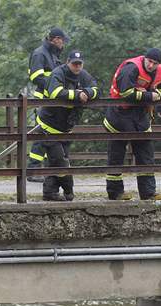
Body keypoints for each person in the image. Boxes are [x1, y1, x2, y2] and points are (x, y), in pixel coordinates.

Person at [104, 48, 161, 201]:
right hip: (120, 114)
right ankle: (115, 193)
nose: (151, 66)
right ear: (145, 58)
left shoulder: (160, 71)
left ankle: (148, 193)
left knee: (146, 154)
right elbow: (126, 93)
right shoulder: (131, 68)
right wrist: (149, 96)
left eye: (155, 63)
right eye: (149, 61)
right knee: (116, 155)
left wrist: (157, 94)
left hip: (140, 116)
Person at [34, 50, 98, 201]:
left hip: (65, 128)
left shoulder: (83, 75)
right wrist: (77, 95)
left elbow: (96, 89)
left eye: (79, 64)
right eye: (74, 64)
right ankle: (69, 191)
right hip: (49, 126)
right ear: (67, 62)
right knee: (61, 161)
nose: (77, 67)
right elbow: (55, 92)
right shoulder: (58, 73)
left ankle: (49, 193)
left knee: (55, 162)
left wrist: (87, 93)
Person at [27, 27, 69, 182]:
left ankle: (41, 169)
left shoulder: (52, 54)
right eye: (62, 40)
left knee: (47, 136)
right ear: (55, 39)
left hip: (52, 100)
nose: (63, 44)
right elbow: (36, 77)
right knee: (42, 134)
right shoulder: (40, 53)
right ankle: (33, 170)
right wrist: (55, 88)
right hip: (43, 99)